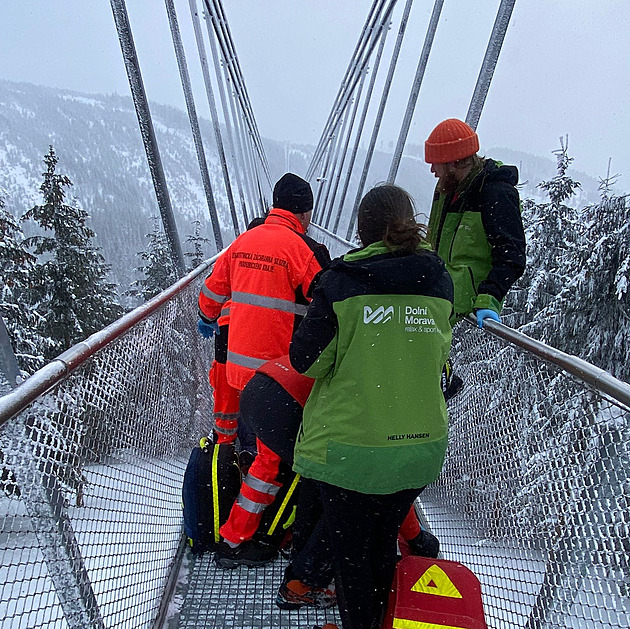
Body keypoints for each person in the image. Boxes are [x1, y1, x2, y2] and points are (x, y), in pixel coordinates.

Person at [287, 184, 454, 629]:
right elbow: (438, 356)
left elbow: (306, 360)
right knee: (383, 545)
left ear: (361, 231)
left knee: (352, 559)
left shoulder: (341, 282)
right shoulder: (438, 278)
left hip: (351, 450)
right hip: (419, 450)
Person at [198, 172, 330, 567]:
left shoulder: (242, 242)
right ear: (304, 213)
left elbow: (209, 297)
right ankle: (236, 540)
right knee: (268, 464)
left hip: (235, 373)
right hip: (275, 382)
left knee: (241, 445)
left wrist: (209, 318)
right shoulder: (301, 248)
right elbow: (326, 304)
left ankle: (230, 513)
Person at [424, 118, 526, 328]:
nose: (433, 170)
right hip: (437, 299)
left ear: (453, 162)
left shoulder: (496, 194)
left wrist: (490, 297)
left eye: (436, 163)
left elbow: (511, 254)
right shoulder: (445, 190)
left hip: (463, 309)